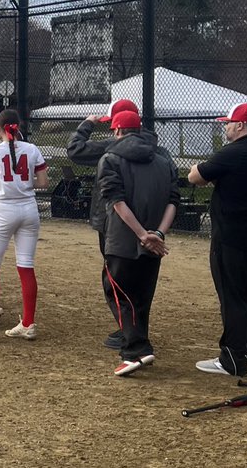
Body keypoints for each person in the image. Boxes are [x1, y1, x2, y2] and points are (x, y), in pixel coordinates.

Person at [188, 103, 247, 376]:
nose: (225, 126)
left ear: (240, 125)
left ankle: (232, 357)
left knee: (232, 296)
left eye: (228, 122)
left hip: (232, 236)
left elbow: (195, 176)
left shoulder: (234, 152)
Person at [94, 110, 179, 376]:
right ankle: (139, 346)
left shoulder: (110, 158)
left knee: (117, 292)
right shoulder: (163, 160)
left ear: (118, 131)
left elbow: (117, 202)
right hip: (154, 243)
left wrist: (142, 233)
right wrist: (158, 234)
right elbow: (173, 201)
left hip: (122, 241)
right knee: (141, 297)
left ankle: (135, 350)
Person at [68, 99, 141, 350]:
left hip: (112, 219)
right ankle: (135, 326)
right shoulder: (153, 145)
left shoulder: (112, 146)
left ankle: (129, 331)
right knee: (139, 275)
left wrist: (87, 123)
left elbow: (75, 149)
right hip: (145, 216)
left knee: (116, 278)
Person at [0, 109, 49, 340]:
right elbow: (43, 182)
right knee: (25, 265)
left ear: (0, 127)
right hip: (28, 208)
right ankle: (28, 323)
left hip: (5, 208)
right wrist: (21, 182)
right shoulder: (32, 149)